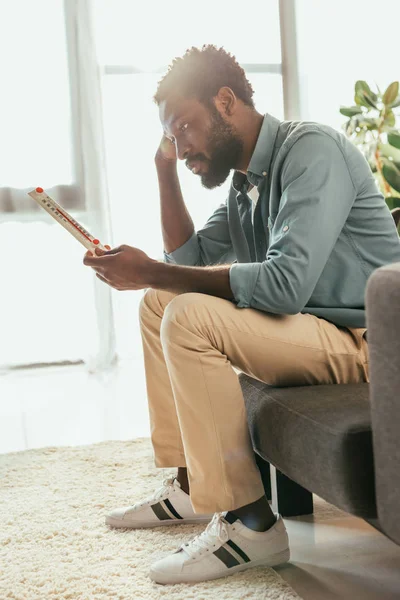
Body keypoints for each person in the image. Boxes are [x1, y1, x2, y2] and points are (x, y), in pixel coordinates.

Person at [83, 45, 400, 585]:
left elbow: (281, 287)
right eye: (172, 136)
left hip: (367, 341)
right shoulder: (244, 184)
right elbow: (185, 261)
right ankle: (191, 484)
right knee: (158, 302)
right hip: (317, 331)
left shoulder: (310, 151)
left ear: (226, 101)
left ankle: (250, 522)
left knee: (183, 314)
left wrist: (155, 273)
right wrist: (164, 171)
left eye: (186, 127)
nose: (182, 146)